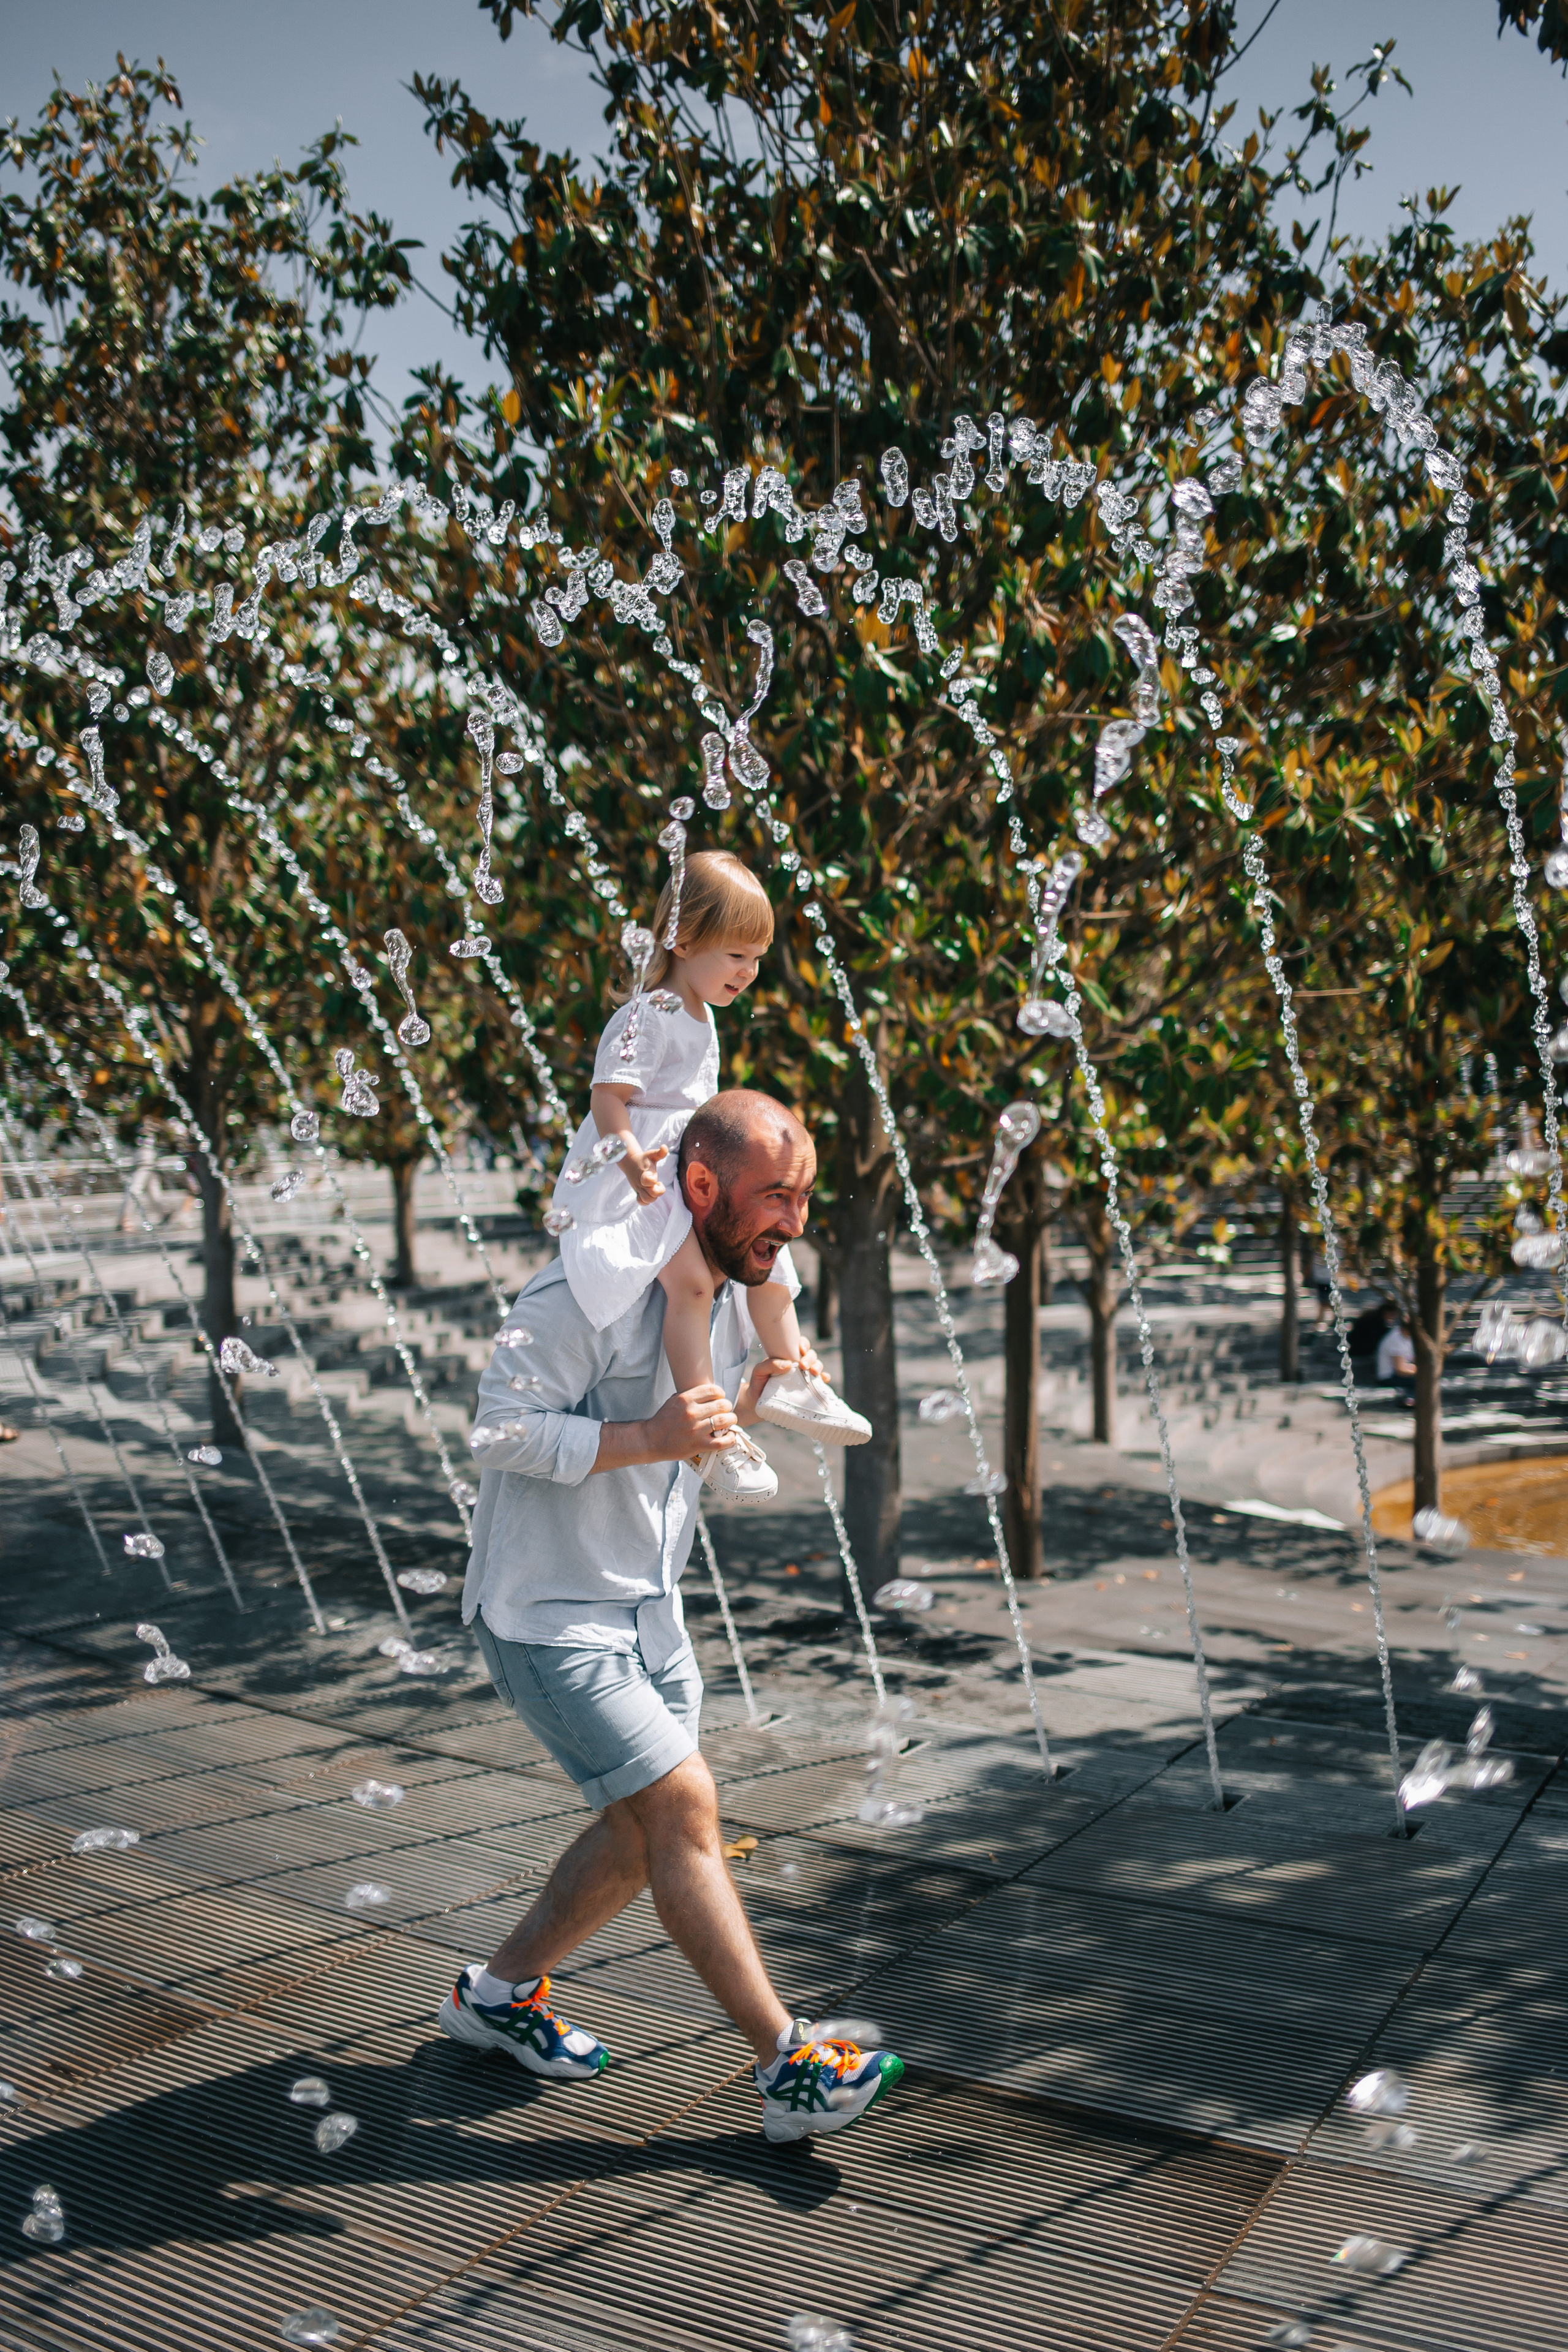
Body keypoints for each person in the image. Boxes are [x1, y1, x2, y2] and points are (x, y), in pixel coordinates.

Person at [441, 1089, 905, 2143]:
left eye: (803, 1200)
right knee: (685, 1807)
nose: (791, 1225)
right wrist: (644, 1436)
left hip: (650, 1614)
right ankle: (789, 2066)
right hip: (547, 1618)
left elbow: (712, 1427)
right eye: (772, 1200)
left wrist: (767, 1393)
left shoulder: (741, 1289)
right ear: (699, 1189)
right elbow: (500, 1431)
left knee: (641, 1830)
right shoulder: (579, 1298)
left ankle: (495, 1998)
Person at [549, 850, 870, 1501]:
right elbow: (607, 1100)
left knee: (768, 1259)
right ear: (684, 940)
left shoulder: (704, 1016)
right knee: (693, 1283)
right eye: (736, 956)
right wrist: (633, 1160)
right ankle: (707, 1425)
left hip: (692, 1168)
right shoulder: (649, 1016)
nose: (748, 973)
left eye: (756, 958)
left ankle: (787, 1371)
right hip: (644, 1177)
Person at [1375, 1306, 1417, 1390]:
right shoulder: (1396, 1339)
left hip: (1399, 1375)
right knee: (1421, 1382)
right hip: (1388, 1377)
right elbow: (1400, 1370)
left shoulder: (1407, 1338)